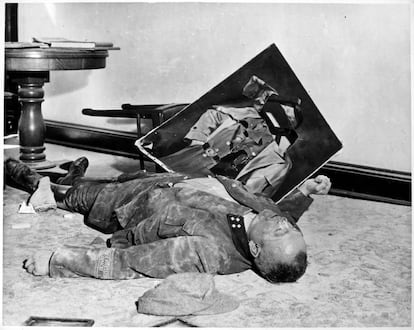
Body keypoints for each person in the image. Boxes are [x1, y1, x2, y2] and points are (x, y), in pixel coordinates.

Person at [5, 157, 330, 283]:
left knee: (65, 194)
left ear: (255, 250)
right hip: (166, 178)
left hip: (126, 205)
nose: (282, 224)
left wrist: (57, 261)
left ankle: (26, 173)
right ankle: (73, 176)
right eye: (290, 229)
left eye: (279, 232)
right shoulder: (272, 221)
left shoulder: (208, 251)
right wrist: (306, 193)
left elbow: (130, 262)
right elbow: (288, 217)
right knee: (105, 178)